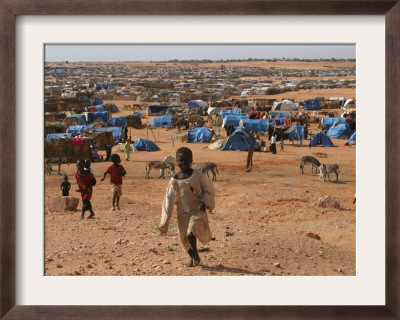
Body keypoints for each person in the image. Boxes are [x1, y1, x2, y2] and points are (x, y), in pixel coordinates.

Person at [158, 147, 215, 267]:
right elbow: (169, 198)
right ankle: (192, 256)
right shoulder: (175, 179)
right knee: (183, 237)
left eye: (186, 160)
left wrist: (204, 202)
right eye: (180, 161)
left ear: (191, 161)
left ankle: (196, 254)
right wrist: (165, 220)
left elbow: (208, 188)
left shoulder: (198, 175)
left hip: (197, 210)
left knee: (191, 232)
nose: (183, 163)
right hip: (182, 212)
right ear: (176, 162)